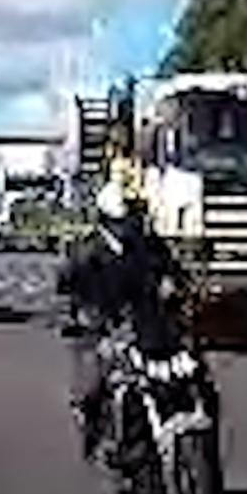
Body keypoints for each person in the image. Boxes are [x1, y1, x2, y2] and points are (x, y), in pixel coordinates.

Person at [66, 164, 189, 462]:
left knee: (195, 376)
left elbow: (176, 274)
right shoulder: (87, 252)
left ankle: (200, 435)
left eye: (135, 217)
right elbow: (69, 291)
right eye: (125, 219)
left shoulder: (150, 246)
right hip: (107, 327)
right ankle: (98, 432)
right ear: (107, 220)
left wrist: (177, 288)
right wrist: (86, 317)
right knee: (96, 382)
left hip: (152, 326)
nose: (131, 225)